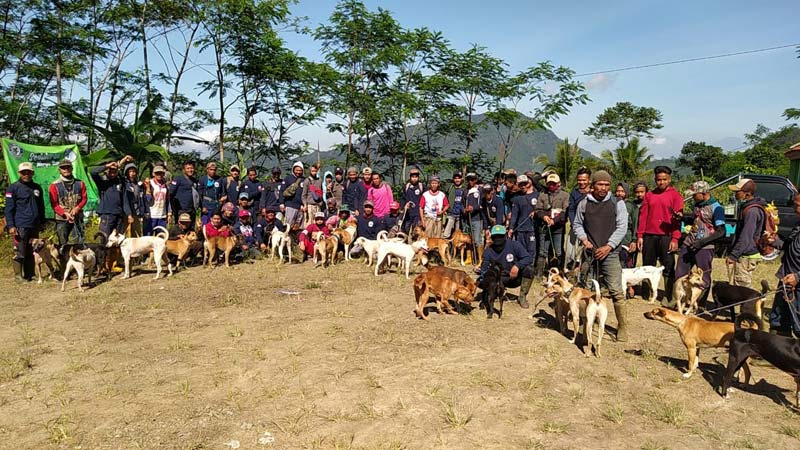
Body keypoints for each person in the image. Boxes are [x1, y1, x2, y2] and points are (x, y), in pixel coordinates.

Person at [573, 170, 630, 342]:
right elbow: (577, 224)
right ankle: (585, 327)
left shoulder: (617, 203)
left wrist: (609, 246)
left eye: (606, 184)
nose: (603, 188)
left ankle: (622, 326)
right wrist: (584, 239)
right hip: (590, 253)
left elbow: (622, 227)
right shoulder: (584, 203)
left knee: (616, 291)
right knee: (587, 289)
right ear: (593, 185)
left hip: (610, 253)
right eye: (600, 184)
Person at [637, 166, 684, 305]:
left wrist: (675, 238)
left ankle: (668, 295)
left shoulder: (676, 196)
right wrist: (640, 235)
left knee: (668, 267)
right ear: (655, 180)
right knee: (647, 266)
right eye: (658, 180)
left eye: (664, 179)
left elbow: (678, 219)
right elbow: (643, 216)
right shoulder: (649, 196)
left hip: (666, 236)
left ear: (669, 179)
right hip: (649, 236)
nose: (661, 182)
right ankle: (647, 292)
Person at [674, 180, 726, 304]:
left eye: (694, 194)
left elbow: (721, 231)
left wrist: (701, 243)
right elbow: (696, 219)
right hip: (689, 243)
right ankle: (679, 301)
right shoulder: (698, 204)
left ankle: (700, 304)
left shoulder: (717, 208)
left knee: (703, 277)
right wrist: (682, 217)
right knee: (681, 273)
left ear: (704, 193)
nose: (692, 196)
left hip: (705, 247)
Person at [477, 224, 534, 309]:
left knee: (529, 270)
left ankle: (522, 297)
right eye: (495, 236)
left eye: (500, 236)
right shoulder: (488, 252)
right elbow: (484, 271)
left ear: (505, 235)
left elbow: (528, 258)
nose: (497, 239)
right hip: (499, 280)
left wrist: (517, 266)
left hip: (515, 278)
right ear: (491, 237)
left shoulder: (514, 245)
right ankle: (492, 294)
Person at [6, 162, 45, 281]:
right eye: (23, 172)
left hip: (34, 225)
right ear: (19, 173)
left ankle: (30, 274)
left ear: (32, 173)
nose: (26, 174)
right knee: (19, 251)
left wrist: (42, 222)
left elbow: (41, 206)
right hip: (20, 225)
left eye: (28, 172)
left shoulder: (37, 188)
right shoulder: (13, 188)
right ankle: (18, 276)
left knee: (31, 251)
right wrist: (11, 225)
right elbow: (9, 209)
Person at [768, 192, 800, 337]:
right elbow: (788, 246)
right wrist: (773, 241)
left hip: (797, 284)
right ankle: (777, 354)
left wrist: (798, 277)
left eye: (797, 205)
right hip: (785, 280)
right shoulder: (798, 225)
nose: (794, 208)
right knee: (778, 320)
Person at [726, 178, 765, 288]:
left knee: (742, 288)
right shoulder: (748, 207)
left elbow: (746, 236)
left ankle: (751, 305)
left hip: (747, 255)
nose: (735, 194)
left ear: (747, 193)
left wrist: (733, 255)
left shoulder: (752, 212)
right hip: (746, 253)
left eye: (737, 192)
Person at [534, 172, 569, 275]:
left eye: (554, 183)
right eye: (549, 183)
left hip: (558, 229)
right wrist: (544, 216)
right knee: (542, 252)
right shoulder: (542, 194)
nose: (551, 186)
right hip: (544, 227)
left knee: (558, 252)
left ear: (558, 183)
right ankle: (539, 275)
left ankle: (560, 273)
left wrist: (555, 221)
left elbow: (565, 213)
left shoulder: (565, 195)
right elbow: (538, 210)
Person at [48, 158, 88, 246]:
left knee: (79, 243)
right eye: (63, 168)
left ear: (72, 168)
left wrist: (77, 208)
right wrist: (64, 213)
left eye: (68, 167)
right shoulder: (54, 185)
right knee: (63, 244)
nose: (66, 169)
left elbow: (84, 199)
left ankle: (79, 259)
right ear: (59, 170)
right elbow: (54, 204)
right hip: (62, 219)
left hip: (77, 217)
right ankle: (64, 259)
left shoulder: (80, 183)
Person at [92, 156, 133, 236]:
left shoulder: (121, 181)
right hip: (106, 214)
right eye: (110, 171)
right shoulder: (102, 181)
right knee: (104, 237)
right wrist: (107, 166)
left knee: (118, 239)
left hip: (119, 214)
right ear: (107, 171)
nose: (112, 173)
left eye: (114, 171)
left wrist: (129, 214)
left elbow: (125, 199)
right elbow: (93, 172)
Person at [565, 167, 591, 270]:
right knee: (570, 252)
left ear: (589, 180)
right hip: (575, 227)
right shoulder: (574, 192)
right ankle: (568, 271)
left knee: (584, 252)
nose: (581, 182)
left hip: (590, 228)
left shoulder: (593, 192)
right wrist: (574, 223)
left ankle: (583, 273)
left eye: (584, 180)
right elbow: (571, 210)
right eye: (579, 180)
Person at [508, 174, 538, 257]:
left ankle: (531, 268)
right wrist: (511, 228)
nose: (523, 186)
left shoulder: (537, 195)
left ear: (528, 183)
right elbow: (514, 214)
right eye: (521, 184)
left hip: (533, 229)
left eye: (524, 184)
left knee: (532, 250)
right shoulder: (517, 198)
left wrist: (536, 212)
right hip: (520, 229)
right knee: (521, 250)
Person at [168, 160, 200, 230]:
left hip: (192, 210)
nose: (190, 170)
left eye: (191, 168)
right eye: (188, 168)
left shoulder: (195, 181)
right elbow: (170, 194)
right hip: (181, 210)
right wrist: (171, 210)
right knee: (180, 229)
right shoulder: (178, 179)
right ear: (184, 170)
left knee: (191, 230)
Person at [623, 182, 647, 269]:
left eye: (642, 192)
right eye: (637, 192)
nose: (639, 194)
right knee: (631, 260)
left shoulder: (649, 204)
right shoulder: (631, 205)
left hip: (647, 235)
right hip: (634, 235)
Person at [144, 165, 171, 235]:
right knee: (148, 239)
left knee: (161, 238)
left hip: (162, 216)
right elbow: (147, 200)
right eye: (157, 173)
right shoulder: (149, 183)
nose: (159, 175)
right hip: (151, 215)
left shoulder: (165, 185)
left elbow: (167, 200)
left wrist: (169, 213)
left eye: (161, 173)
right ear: (153, 174)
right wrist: (148, 188)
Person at [465, 173, 485, 262]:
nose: (470, 181)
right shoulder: (465, 191)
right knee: (468, 239)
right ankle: (469, 257)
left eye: (472, 179)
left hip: (477, 218)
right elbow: (462, 204)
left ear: (476, 180)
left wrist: (474, 208)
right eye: (469, 179)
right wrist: (464, 210)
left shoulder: (480, 190)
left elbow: (482, 204)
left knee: (477, 240)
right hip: (466, 219)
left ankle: (480, 259)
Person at [124, 162, 147, 237]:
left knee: (137, 235)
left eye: (134, 171)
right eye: (130, 171)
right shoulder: (124, 184)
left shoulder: (138, 185)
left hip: (136, 212)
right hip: (126, 213)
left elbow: (142, 199)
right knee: (127, 234)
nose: (132, 174)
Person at [281, 161, 306, 230]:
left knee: (299, 227)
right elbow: (282, 191)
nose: (298, 172)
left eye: (300, 170)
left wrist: (304, 204)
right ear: (293, 169)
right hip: (290, 205)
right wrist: (281, 203)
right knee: (288, 226)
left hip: (300, 207)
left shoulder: (304, 180)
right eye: (297, 170)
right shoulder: (287, 178)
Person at [400, 167, 425, 233]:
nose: (414, 178)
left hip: (418, 213)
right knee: (406, 228)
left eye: (416, 177)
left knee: (416, 230)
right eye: (413, 177)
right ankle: (407, 241)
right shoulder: (407, 186)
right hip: (408, 213)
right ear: (410, 177)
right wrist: (402, 207)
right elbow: (403, 198)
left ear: (418, 177)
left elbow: (426, 199)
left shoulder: (421, 186)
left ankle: (414, 242)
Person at [443, 172, 466, 239]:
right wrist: (445, 208)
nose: (457, 180)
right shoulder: (450, 188)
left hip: (460, 215)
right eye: (455, 178)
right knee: (446, 233)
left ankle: (455, 248)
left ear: (461, 179)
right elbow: (445, 198)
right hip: (451, 213)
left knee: (458, 234)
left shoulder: (465, 189)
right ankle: (446, 247)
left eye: (459, 178)